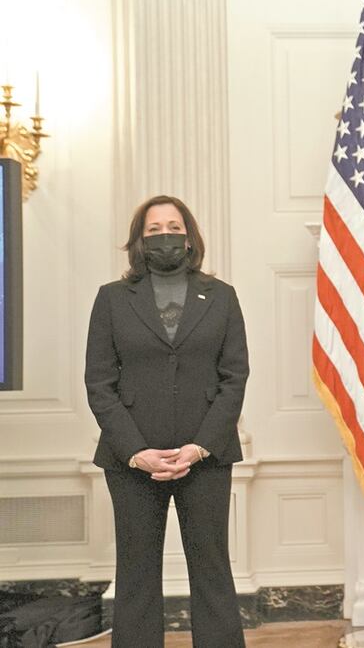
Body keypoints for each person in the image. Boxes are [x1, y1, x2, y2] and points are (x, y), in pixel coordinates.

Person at [85, 195, 249, 647]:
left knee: (212, 571)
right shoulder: (112, 299)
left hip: (207, 458)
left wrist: (199, 448)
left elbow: (234, 378)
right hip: (132, 461)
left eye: (172, 226)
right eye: (153, 229)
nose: (164, 236)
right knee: (136, 574)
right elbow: (99, 383)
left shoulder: (222, 297)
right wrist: (137, 453)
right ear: (139, 240)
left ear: (189, 236)